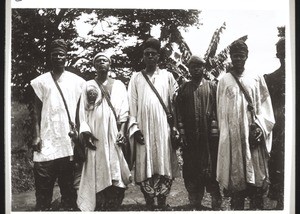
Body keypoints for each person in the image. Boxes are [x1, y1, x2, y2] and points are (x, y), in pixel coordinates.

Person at [216, 40, 275, 210]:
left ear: (246, 56)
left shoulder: (256, 78)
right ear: (231, 57)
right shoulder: (224, 81)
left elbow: (266, 106)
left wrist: (260, 128)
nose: (238, 59)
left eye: (241, 56)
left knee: (256, 178)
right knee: (237, 180)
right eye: (235, 56)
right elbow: (220, 111)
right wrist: (225, 135)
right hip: (233, 138)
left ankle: (256, 208)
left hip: (254, 136)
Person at [30, 39, 85, 211]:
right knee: (43, 187)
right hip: (46, 140)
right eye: (55, 54)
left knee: (68, 188)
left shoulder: (78, 82)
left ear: (66, 57)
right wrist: (37, 135)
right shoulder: (39, 82)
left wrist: (79, 135)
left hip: (67, 142)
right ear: (50, 57)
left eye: (61, 54)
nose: (58, 57)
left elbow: (80, 112)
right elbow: (35, 112)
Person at [127, 37, 181, 210]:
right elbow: (132, 105)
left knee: (164, 161)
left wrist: (174, 128)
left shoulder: (168, 76)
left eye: (153, 54)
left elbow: (175, 103)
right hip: (143, 128)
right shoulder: (136, 78)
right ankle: (149, 202)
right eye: (146, 54)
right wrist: (135, 129)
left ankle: (163, 203)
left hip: (163, 128)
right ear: (143, 56)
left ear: (159, 57)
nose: (150, 56)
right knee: (145, 162)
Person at [76, 52, 132, 211]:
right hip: (95, 132)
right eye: (98, 61)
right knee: (96, 162)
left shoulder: (119, 85)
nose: (102, 63)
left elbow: (124, 111)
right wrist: (86, 133)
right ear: (94, 66)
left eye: (105, 60)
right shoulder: (88, 85)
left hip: (114, 131)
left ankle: (114, 199)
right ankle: (98, 199)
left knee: (114, 161)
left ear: (110, 64)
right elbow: (82, 112)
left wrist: (122, 131)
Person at [176, 55, 221, 210]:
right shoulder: (183, 88)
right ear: (188, 69)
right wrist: (182, 133)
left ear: (204, 68)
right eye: (193, 67)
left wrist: (215, 132)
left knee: (211, 167)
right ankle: (195, 199)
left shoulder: (212, 87)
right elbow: (179, 112)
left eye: (199, 66)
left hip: (209, 139)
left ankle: (216, 197)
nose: (196, 69)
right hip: (190, 138)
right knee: (191, 167)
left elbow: (217, 110)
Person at [264, 38, 285, 209]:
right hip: (278, 132)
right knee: (278, 167)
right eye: (282, 52)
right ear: (277, 54)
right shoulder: (270, 79)